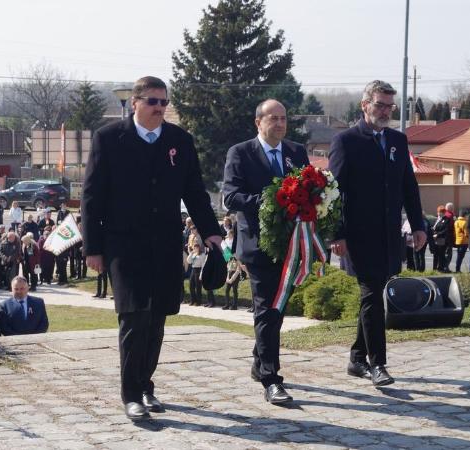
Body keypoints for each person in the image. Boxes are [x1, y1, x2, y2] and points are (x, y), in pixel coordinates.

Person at [82, 76, 222, 420]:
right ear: (135, 103)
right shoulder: (109, 138)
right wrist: (93, 248)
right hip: (123, 244)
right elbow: (92, 196)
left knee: (157, 317)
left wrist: (211, 233)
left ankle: (146, 386)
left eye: (164, 102)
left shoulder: (179, 140)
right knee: (134, 316)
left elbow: (195, 192)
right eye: (152, 102)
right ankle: (131, 393)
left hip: (163, 243)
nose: (160, 108)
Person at [328, 80, 426, 389]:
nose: (385, 111)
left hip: (389, 234)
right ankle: (377, 363)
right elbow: (334, 192)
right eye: (380, 105)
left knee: (373, 295)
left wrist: (418, 224)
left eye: (389, 106)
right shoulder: (346, 141)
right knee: (373, 294)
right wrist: (337, 234)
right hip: (358, 236)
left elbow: (408, 186)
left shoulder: (398, 139)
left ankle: (357, 357)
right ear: (364, 105)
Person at [222, 98, 309, 405]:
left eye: (284, 118)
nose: (280, 123)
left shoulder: (297, 152)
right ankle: (272, 379)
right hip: (256, 246)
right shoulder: (241, 153)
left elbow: (309, 190)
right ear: (258, 122)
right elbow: (230, 197)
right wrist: (268, 199)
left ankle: (260, 360)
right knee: (266, 308)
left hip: (291, 245)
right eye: (273, 118)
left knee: (277, 309)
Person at [432, 206, 451, 272]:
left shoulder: (446, 219)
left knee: (441, 254)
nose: (439, 213)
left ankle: (440, 268)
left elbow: (446, 229)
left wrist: (437, 234)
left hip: (442, 239)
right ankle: (434, 268)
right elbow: (434, 228)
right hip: (435, 239)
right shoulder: (437, 219)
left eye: (440, 212)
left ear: (443, 212)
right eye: (438, 212)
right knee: (435, 254)